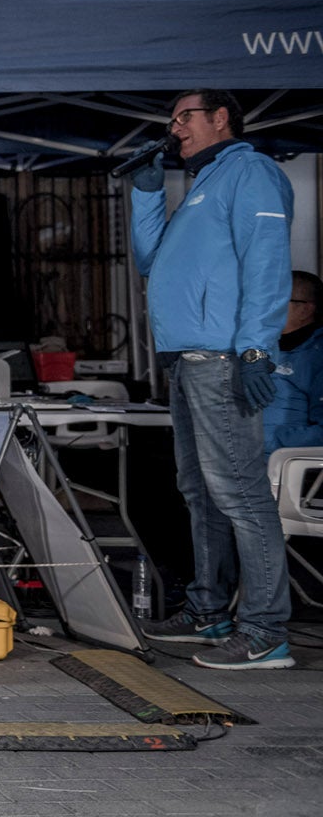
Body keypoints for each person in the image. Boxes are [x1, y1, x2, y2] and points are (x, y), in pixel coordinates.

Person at [131, 90, 293, 670]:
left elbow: (268, 261)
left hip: (223, 358)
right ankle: (209, 610)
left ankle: (266, 631)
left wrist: (256, 347)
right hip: (187, 360)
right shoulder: (202, 185)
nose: (174, 130)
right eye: (172, 121)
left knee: (242, 495)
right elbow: (151, 260)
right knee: (200, 492)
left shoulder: (249, 172)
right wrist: (147, 193)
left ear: (220, 118)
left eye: (184, 118)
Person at [265, 270, 323, 453]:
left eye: (280, 300)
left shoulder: (316, 355)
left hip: (283, 463)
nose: (269, 307)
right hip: (241, 455)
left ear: (306, 309)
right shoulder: (259, 346)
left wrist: (277, 439)